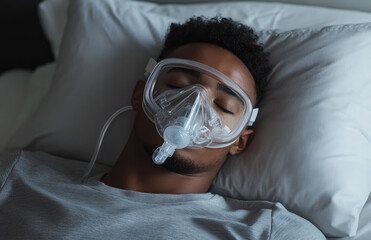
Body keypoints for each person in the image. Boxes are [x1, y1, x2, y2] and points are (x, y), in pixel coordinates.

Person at [0, 17, 326, 239]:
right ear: (140, 94)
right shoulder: (17, 176)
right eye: (178, 85)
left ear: (240, 140)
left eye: (224, 106)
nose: (192, 109)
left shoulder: (271, 232)